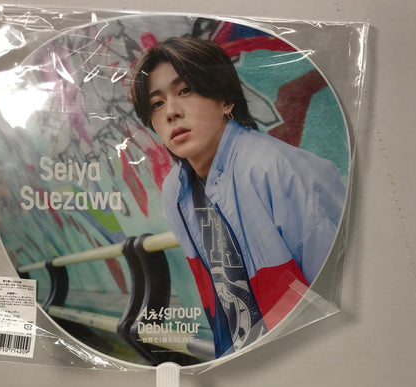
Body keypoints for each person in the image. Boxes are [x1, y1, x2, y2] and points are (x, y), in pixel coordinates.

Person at [131, 36, 346, 358]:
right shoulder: (177, 190)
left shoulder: (278, 170)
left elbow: (336, 296)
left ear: (226, 101)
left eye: (185, 90)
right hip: (243, 358)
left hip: (307, 357)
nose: (171, 112)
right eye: (157, 104)